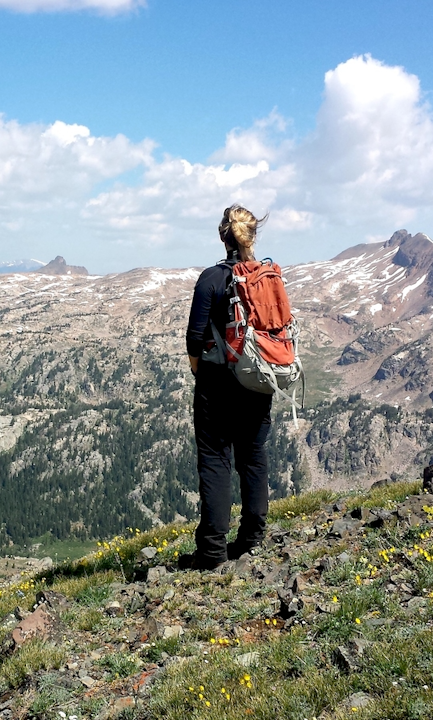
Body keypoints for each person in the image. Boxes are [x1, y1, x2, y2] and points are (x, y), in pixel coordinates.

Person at [178, 204, 273, 571]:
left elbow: (194, 337)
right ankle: (252, 540)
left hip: (217, 383)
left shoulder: (212, 279)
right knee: (253, 454)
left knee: (216, 460)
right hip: (260, 379)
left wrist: (199, 372)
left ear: (223, 235)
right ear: (251, 236)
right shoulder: (265, 276)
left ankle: (213, 553)